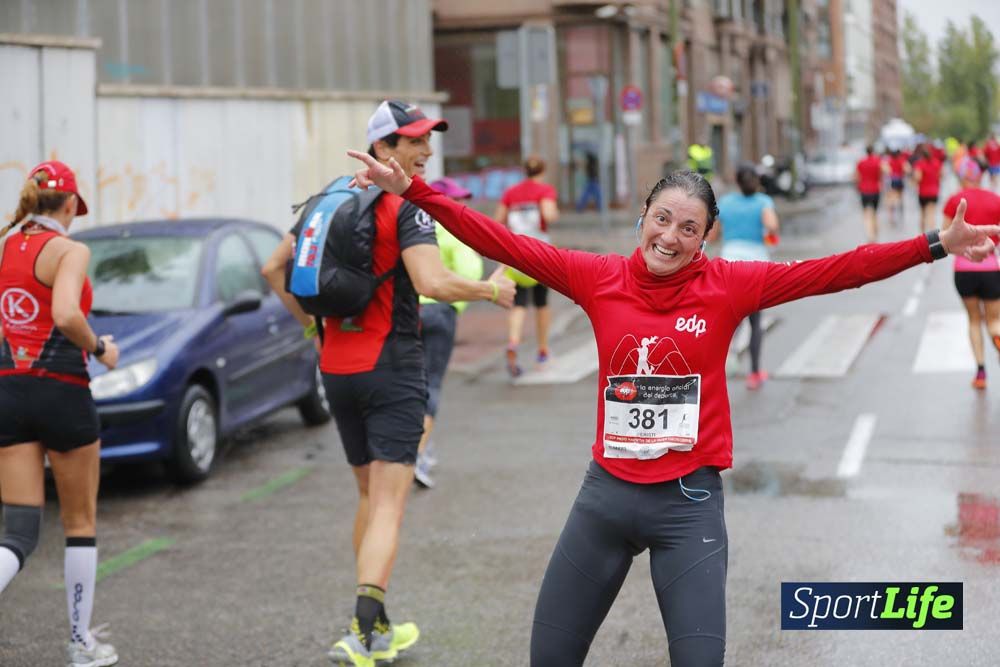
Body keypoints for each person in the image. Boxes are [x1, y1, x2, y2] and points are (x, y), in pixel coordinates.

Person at [347, 148, 1000, 667]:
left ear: (704, 237)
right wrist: (414, 192)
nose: (670, 236)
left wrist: (934, 244)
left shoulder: (729, 285)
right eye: (662, 219)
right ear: (643, 219)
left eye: (688, 228)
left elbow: (840, 269)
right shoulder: (594, 276)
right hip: (604, 498)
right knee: (547, 655)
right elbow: (504, 241)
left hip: (687, 505)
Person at [262, 100, 514, 667]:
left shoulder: (327, 197)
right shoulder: (404, 207)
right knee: (389, 508)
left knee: (369, 500)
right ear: (384, 149)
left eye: (428, 141)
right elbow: (432, 281)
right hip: (392, 368)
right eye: (414, 142)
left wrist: (314, 331)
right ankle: (361, 631)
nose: (425, 152)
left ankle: (375, 628)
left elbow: (272, 269)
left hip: (337, 369)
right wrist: (489, 292)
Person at [0, 161, 121, 667]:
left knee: (18, 532)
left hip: (8, 392)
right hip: (63, 390)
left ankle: (80, 642)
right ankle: (79, 644)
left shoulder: (5, 245)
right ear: (70, 205)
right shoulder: (70, 249)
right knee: (80, 524)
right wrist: (100, 348)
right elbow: (67, 313)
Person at [413, 177, 485, 488]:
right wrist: (457, 303)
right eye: (456, 199)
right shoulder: (451, 229)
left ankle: (404, 452)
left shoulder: (412, 225)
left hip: (405, 312)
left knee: (407, 383)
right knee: (432, 384)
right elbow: (471, 271)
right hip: (439, 311)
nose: (461, 204)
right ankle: (416, 455)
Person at [715, 165, 780, 389]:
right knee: (755, 321)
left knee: (731, 317)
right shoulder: (763, 202)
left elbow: (713, 234)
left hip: (729, 264)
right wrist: (767, 233)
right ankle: (754, 374)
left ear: (736, 180)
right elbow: (772, 226)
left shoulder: (725, 203)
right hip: (755, 267)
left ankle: (723, 361)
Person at [495, 156, 560, 377]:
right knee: (541, 303)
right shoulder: (545, 190)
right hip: (540, 255)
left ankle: (513, 343)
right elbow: (549, 214)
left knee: (519, 303)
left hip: (516, 255)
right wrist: (549, 211)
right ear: (542, 171)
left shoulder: (511, 193)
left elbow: (499, 220)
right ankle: (542, 351)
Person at [942, 158, 1000, 389]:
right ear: (981, 175)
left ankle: (980, 373)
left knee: (974, 320)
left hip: (963, 270)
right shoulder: (995, 200)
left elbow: (945, 236)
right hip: (991, 268)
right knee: (995, 320)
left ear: (961, 176)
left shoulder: (954, 200)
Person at [913, 144, 943, 234]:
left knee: (922, 214)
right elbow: (941, 175)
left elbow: (918, 177)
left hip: (923, 192)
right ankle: (932, 235)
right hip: (934, 192)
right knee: (931, 214)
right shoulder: (937, 163)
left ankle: (922, 234)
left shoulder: (919, 164)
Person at [855, 145, 883, 242]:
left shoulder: (861, 162)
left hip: (864, 190)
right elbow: (883, 172)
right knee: (874, 213)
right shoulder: (878, 161)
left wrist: (858, 186)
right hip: (875, 190)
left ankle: (870, 235)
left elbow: (856, 176)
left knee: (867, 214)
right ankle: (875, 233)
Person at [884, 149, 908, 227]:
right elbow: (907, 169)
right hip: (899, 180)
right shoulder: (902, 160)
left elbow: (886, 171)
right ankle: (899, 207)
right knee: (900, 197)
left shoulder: (888, 161)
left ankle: (892, 216)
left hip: (891, 181)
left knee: (891, 199)